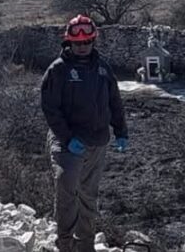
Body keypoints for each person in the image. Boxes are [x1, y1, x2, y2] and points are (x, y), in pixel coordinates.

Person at [40, 14, 129, 252]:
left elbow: (114, 100)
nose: (82, 46)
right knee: (67, 193)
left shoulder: (102, 69)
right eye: (77, 43)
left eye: (87, 42)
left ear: (93, 41)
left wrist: (121, 131)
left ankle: (86, 246)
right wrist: (67, 139)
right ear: (68, 42)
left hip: (97, 142)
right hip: (68, 143)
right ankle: (66, 246)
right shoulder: (58, 70)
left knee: (89, 197)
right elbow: (50, 108)